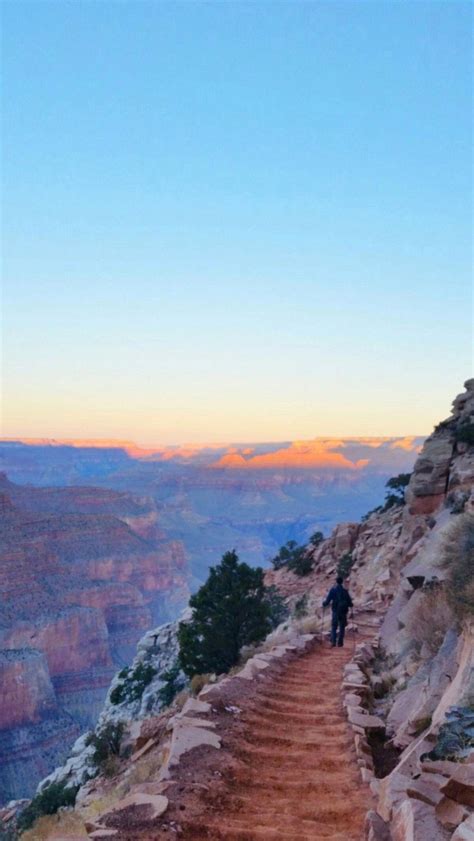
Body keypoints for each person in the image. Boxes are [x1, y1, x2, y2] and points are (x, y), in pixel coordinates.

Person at [322, 576, 353, 648]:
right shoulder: (345, 591)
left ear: (336, 582)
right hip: (343, 612)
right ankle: (340, 643)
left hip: (335, 611)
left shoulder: (333, 590)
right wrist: (350, 605)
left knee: (334, 626)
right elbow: (350, 603)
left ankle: (333, 642)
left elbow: (327, 601)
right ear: (342, 582)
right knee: (342, 627)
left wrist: (324, 603)